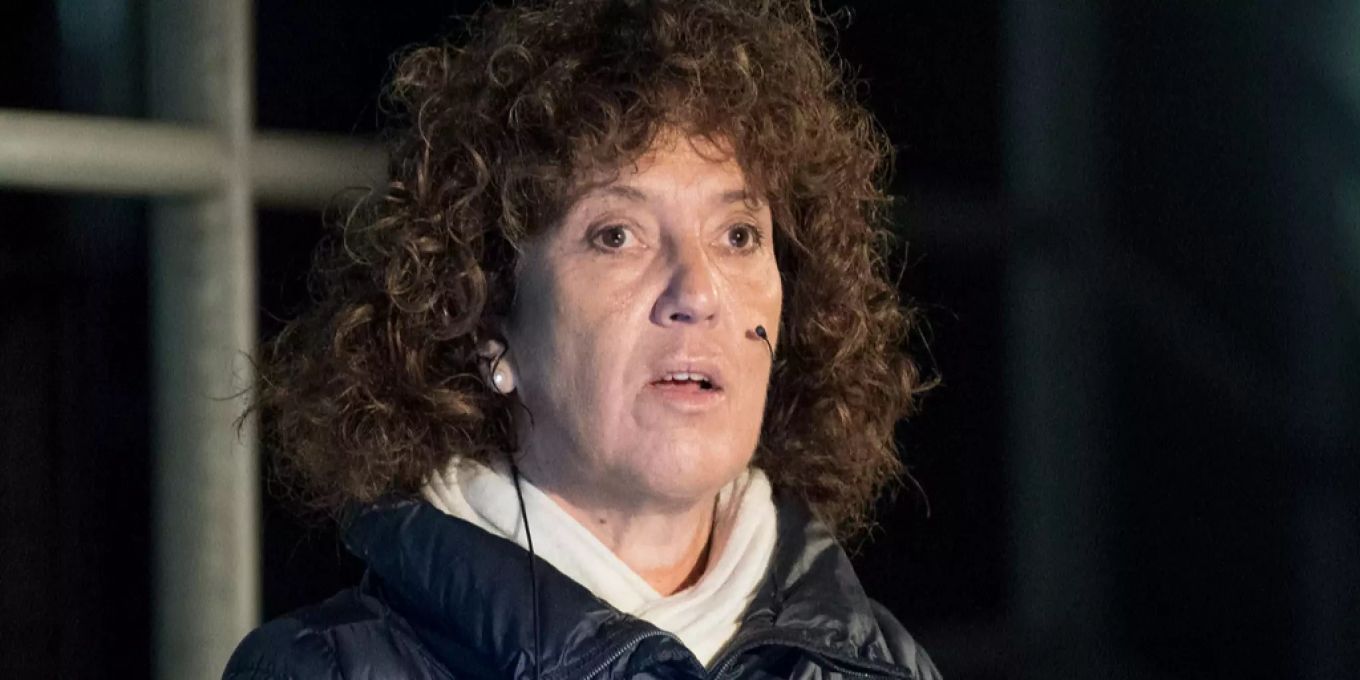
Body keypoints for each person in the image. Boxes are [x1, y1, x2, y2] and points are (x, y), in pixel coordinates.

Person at [225, 0, 940, 678]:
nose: (698, 294)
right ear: (487, 317)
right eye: (617, 235)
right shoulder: (324, 670)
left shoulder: (883, 664)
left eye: (738, 235)